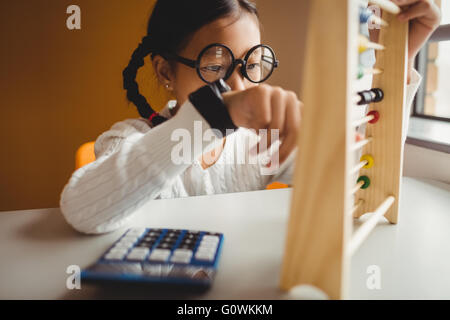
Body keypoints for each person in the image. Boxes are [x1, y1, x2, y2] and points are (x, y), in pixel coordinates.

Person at [60, 0, 441, 234]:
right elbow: (82, 210)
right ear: (164, 72)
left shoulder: (259, 146)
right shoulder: (129, 141)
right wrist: (211, 114)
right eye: (215, 65)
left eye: (252, 65)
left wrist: (398, 63)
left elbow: (360, 181)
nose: (240, 88)